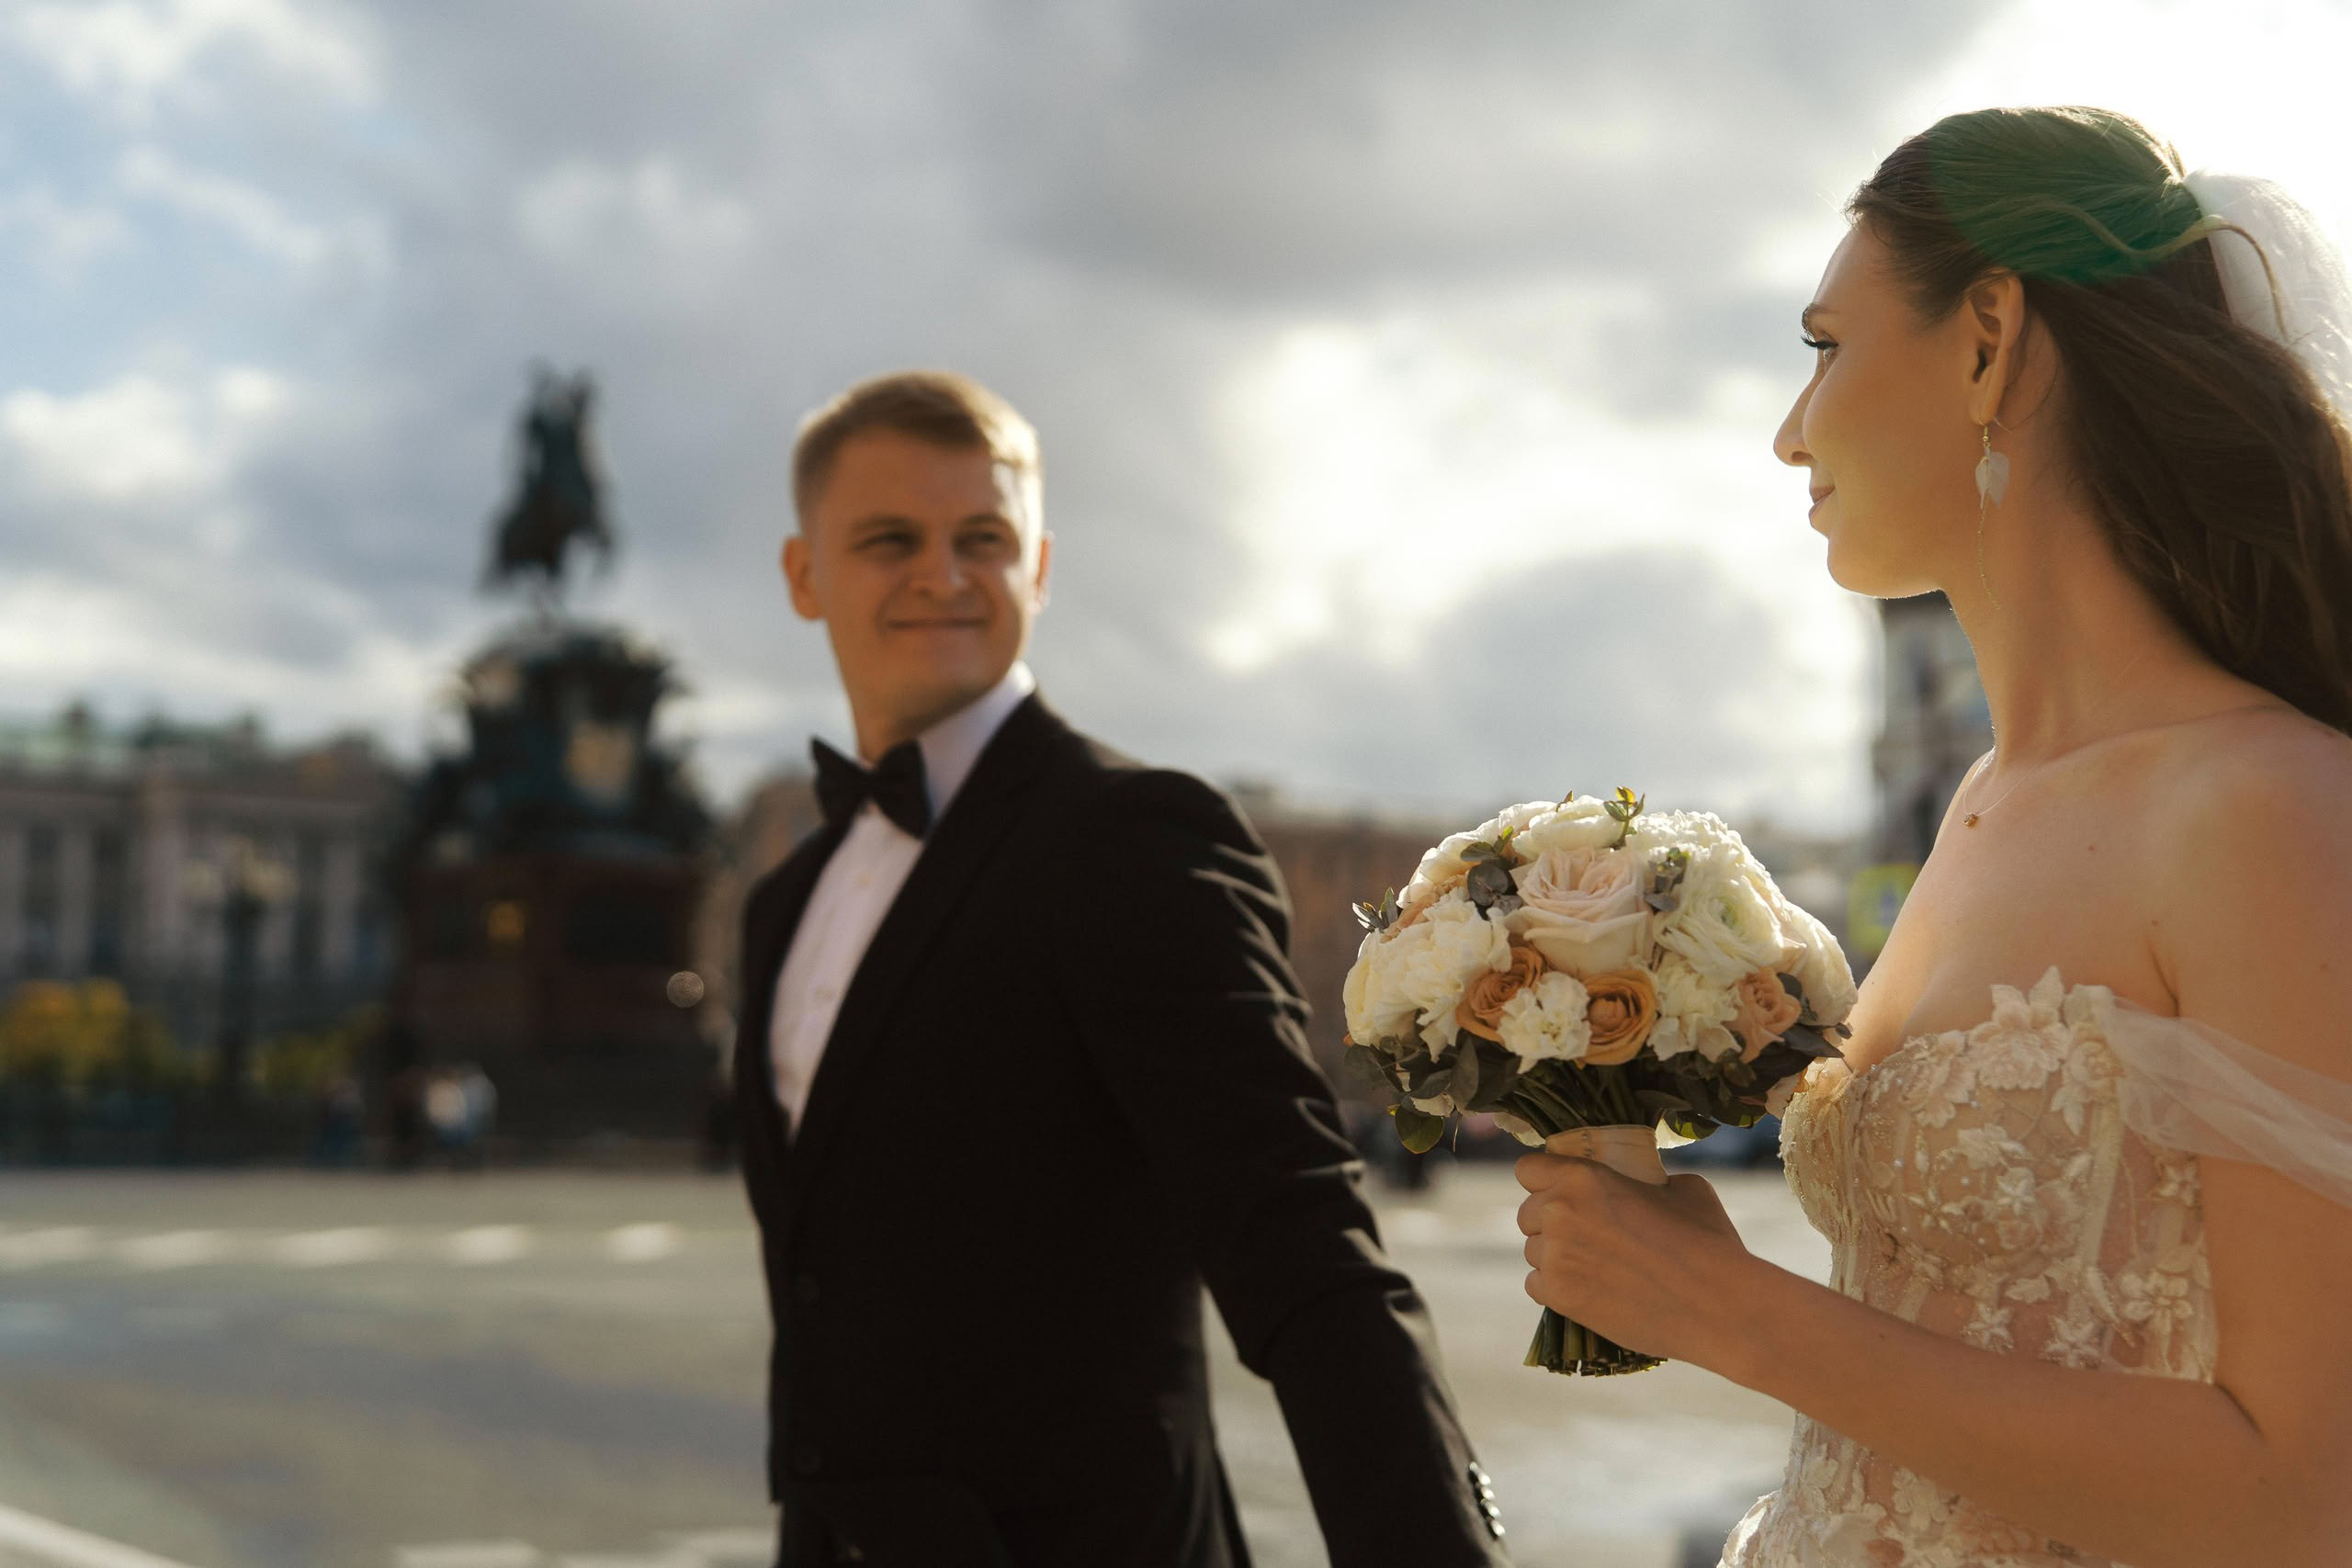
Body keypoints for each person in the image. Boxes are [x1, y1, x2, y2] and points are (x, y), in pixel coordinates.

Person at [1514, 106, 2352, 1568]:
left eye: (1825, 347)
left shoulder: (2266, 808)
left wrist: (1739, 1317)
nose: (1789, 432)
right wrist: (1690, 1271)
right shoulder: (1984, 803)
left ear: (1987, 339)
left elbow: (2304, 1497)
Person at [736, 371, 1510, 1567]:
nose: (942, 572)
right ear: (803, 576)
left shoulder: (1133, 838)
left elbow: (1301, 1243)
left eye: (981, 538)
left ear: (1038, 567)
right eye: (890, 538)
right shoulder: (786, 902)